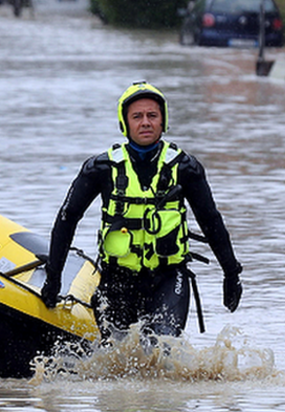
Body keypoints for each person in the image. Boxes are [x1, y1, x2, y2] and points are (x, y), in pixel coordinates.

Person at [40, 82, 243, 339]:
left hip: (168, 278)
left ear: (163, 121)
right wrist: (53, 278)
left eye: (152, 116)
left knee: (161, 346)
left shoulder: (186, 168)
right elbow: (67, 220)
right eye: (137, 116)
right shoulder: (99, 168)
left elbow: (211, 221)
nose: (145, 122)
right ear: (125, 123)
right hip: (118, 280)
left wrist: (231, 273)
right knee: (117, 353)